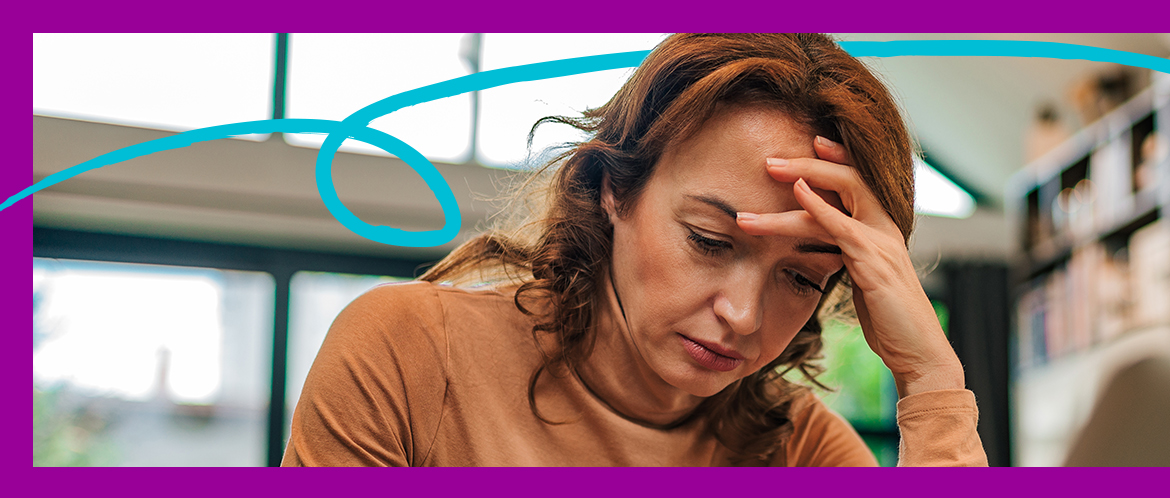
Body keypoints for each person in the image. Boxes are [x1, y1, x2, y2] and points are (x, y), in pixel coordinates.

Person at [281, 33, 986, 467]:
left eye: (800, 278)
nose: (742, 314)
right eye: (709, 241)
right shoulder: (408, 357)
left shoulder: (801, 451)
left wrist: (931, 381)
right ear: (610, 188)